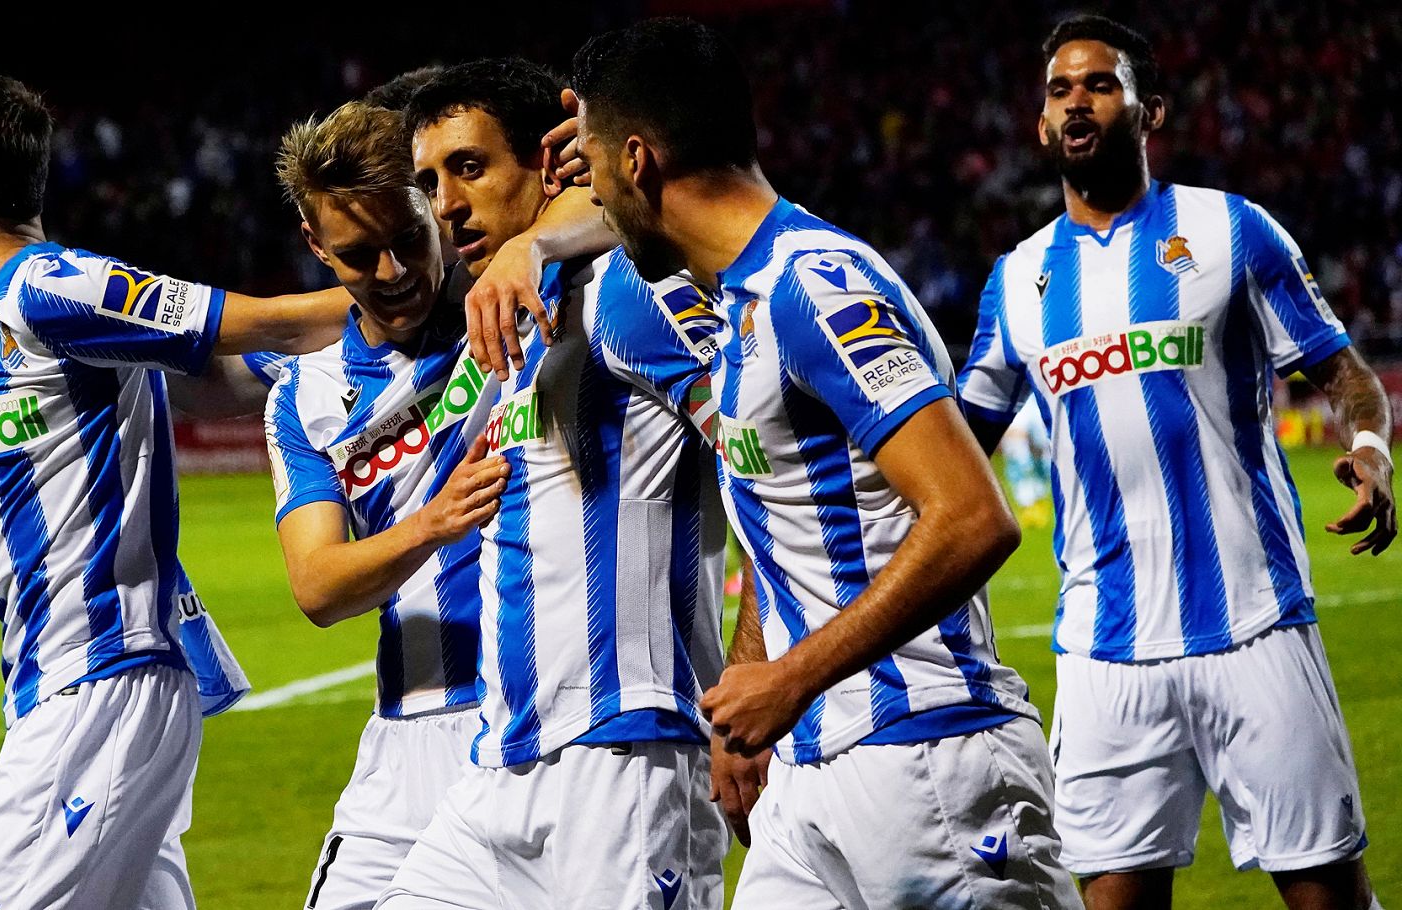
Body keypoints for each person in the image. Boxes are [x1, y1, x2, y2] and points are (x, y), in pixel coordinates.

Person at [571, 19, 1082, 908]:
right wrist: (748, 687)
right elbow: (789, 522)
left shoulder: (817, 286)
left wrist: (793, 678)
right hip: (813, 778)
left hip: (929, 758)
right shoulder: (736, 305)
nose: (593, 203)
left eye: (594, 168)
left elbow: (972, 516)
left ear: (640, 160)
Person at [955, 15, 1395, 910]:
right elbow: (956, 443)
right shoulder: (1017, 281)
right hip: (1104, 658)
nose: (1077, 101)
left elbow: (1345, 372)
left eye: (1101, 84)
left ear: (1148, 110)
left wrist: (1370, 448)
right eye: (1060, 90)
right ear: (1042, 126)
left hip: (1254, 626)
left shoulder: (1232, 230)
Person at [0, 74, 348, 910]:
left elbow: (268, 322)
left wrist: (425, 300)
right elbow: (222, 380)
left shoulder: (49, 288)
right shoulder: (36, 317)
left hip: (97, 682)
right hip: (89, 688)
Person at [373, 57, 727, 909]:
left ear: (552, 160)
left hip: (627, 755)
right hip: (501, 768)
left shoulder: (632, 291)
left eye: (470, 166)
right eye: (428, 181)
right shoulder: (503, 333)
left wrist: (758, 666)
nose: (447, 203)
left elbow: (760, 451)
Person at [266, 98, 612, 910]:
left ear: (437, 209)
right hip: (400, 751)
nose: (392, 274)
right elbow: (317, 586)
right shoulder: (308, 396)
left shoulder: (518, 296)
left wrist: (530, 239)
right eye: (357, 255)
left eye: (406, 240)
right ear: (315, 247)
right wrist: (433, 520)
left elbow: (618, 203)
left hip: (531, 725)